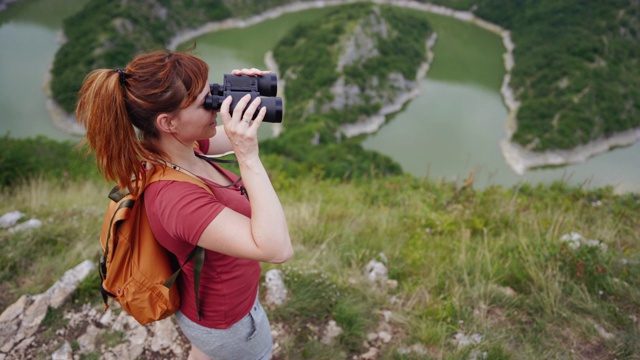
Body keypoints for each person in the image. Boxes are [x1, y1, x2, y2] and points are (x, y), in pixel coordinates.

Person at [76, 49, 293, 360]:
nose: (216, 107)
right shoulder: (177, 200)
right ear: (168, 122)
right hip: (229, 326)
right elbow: (278, 249)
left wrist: (249, 96)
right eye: (206, 102)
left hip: (204, 311)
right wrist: (248, 157)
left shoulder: (174, 150)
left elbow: (229, 135)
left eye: (214, 92)